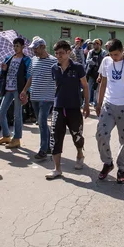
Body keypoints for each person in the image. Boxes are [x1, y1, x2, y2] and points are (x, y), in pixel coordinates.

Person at [95, 39, 124, 183]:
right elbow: (103, 82)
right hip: (108, 105)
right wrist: (98, 103)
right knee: (101, 134)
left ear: (123, 51)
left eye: (116, 54)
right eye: (111, 54)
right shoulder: (106, 61)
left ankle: (121, 169)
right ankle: (107, 163)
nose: (113, 57)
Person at [46, 40, 91, 180]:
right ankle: (57, 169)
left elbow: (85, 86)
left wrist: (86, 104)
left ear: (68, 52)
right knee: (55, 136)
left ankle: (79, 153)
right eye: (56, 53)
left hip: (74, 107)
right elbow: (56, 86)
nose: (58, 55)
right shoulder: (54, 68)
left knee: (77, 135)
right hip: (58, 107)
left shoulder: (77, 68)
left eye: (61, 53)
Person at [21, 37, 58, 160]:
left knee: (42, 122)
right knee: (41, 123)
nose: (34, 51)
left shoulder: (53, 61)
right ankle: (48, 146)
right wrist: (25, 91)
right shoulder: (33, 60)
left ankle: (43, 150)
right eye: (33, 48)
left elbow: (57, 80)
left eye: (36, 48)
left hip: (47, 97)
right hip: (35, 96)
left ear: (43, 46)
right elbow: (31, 77)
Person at [0, 38, 31, 149]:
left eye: (18, 46)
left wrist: (26, 91)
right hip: (8, 88)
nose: (15, 48)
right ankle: (6, 135)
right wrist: (4, 69)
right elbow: (2, 75)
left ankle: (16, 139)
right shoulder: (8, 58)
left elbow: (29, 76)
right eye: (14, 46)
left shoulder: (26, 60)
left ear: (23, 47)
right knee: (1, 112)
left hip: (18, 89)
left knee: (17, 115)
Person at [85, 39, 107, 105]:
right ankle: (86, 102)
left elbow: (105, 62)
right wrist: (93, 61)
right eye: (93, 44)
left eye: (95, 44)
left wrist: (98, 61)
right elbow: (87, 61)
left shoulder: (103, 52)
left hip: (99, 73)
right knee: (88, 88)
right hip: (91, 73)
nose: (93, 45)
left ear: (99, 44)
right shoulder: (91, 52)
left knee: (97, 89)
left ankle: (96, 102)